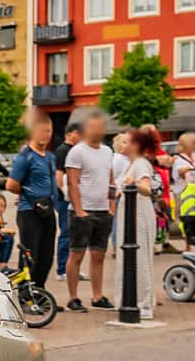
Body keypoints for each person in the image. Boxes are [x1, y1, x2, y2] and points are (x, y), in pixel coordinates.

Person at [63, 110, 117, 312]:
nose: (98, 130)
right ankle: (73, 297)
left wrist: (111, 207)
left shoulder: (107, 151)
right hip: (83, 211)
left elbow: (111, 181)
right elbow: (73, 182)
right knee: (76, 254)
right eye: (94, 127)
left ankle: (97, 295)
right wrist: (79, 210)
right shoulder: (77, 152)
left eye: (101, 127)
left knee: (99, 255)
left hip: (103, 211)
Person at [112, 126, 160, 318]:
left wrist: (134, 184)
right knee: (128, 255)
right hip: (128, 212)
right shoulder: (128, 164)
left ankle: (143, 303)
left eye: (129, 141)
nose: (125, 144)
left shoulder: (140, 164)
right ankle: (128, 298)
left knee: (138, 256)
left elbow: (147, 188)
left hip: (138, 213)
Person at [6, 116, 58, 285]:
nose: (45, 135)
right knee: (30, 254)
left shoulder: (50, 157)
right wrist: (30, 195)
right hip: (29, 211)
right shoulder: (25, 156)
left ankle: (39, 292)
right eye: (41, 131)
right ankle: (25, 294)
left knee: (47, 255)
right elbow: (11, 184)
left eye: (48, 131)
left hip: (47, 210)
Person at [53, 122, 81, 274]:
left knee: (75, 234)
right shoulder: (63, 150)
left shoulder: (75, 150)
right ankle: (62, 269)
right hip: (65, 199)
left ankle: (72, 269)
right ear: (70, 134)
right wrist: (64, 194)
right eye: (79, 134)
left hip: (74, 198)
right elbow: (59, 174)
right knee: (66, 232)